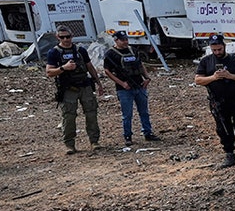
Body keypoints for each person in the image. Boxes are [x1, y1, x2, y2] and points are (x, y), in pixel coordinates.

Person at [195, 34, 235, 168]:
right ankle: (229, 154)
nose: (217, 52)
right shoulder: (206, 61)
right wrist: (213, 77)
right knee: (223, 128)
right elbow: (198, 80)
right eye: (214, 50)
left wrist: (231, 76)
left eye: (219, 49)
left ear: (224, 46)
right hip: (218, 101)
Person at [45, 26, 103, 154]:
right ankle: (69, 144)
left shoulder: (80, 50)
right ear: (57, 37)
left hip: (85, 85)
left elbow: (89, 66)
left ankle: (94, 141)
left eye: (68, 36)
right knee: (69, 117)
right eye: (62, 37)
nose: (66, 39)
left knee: (91, 113)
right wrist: (64, 68)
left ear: (72, 36)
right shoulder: (54, 52)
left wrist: (98, 83)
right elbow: (49, 72)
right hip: (68, 89)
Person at [103, 31, 160, 147]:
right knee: (127, 114)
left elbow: (140, 65)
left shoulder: (133, 50)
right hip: (124, 88)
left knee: (144, 111)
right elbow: (107, 71)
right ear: (116, 40)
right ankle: (128, 136)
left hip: (139, 84)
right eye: (122, 40)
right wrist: (121, 83)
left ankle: (148, 133)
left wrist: (147, 78)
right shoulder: (110, 54)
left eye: (126, 39)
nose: (125, 42)